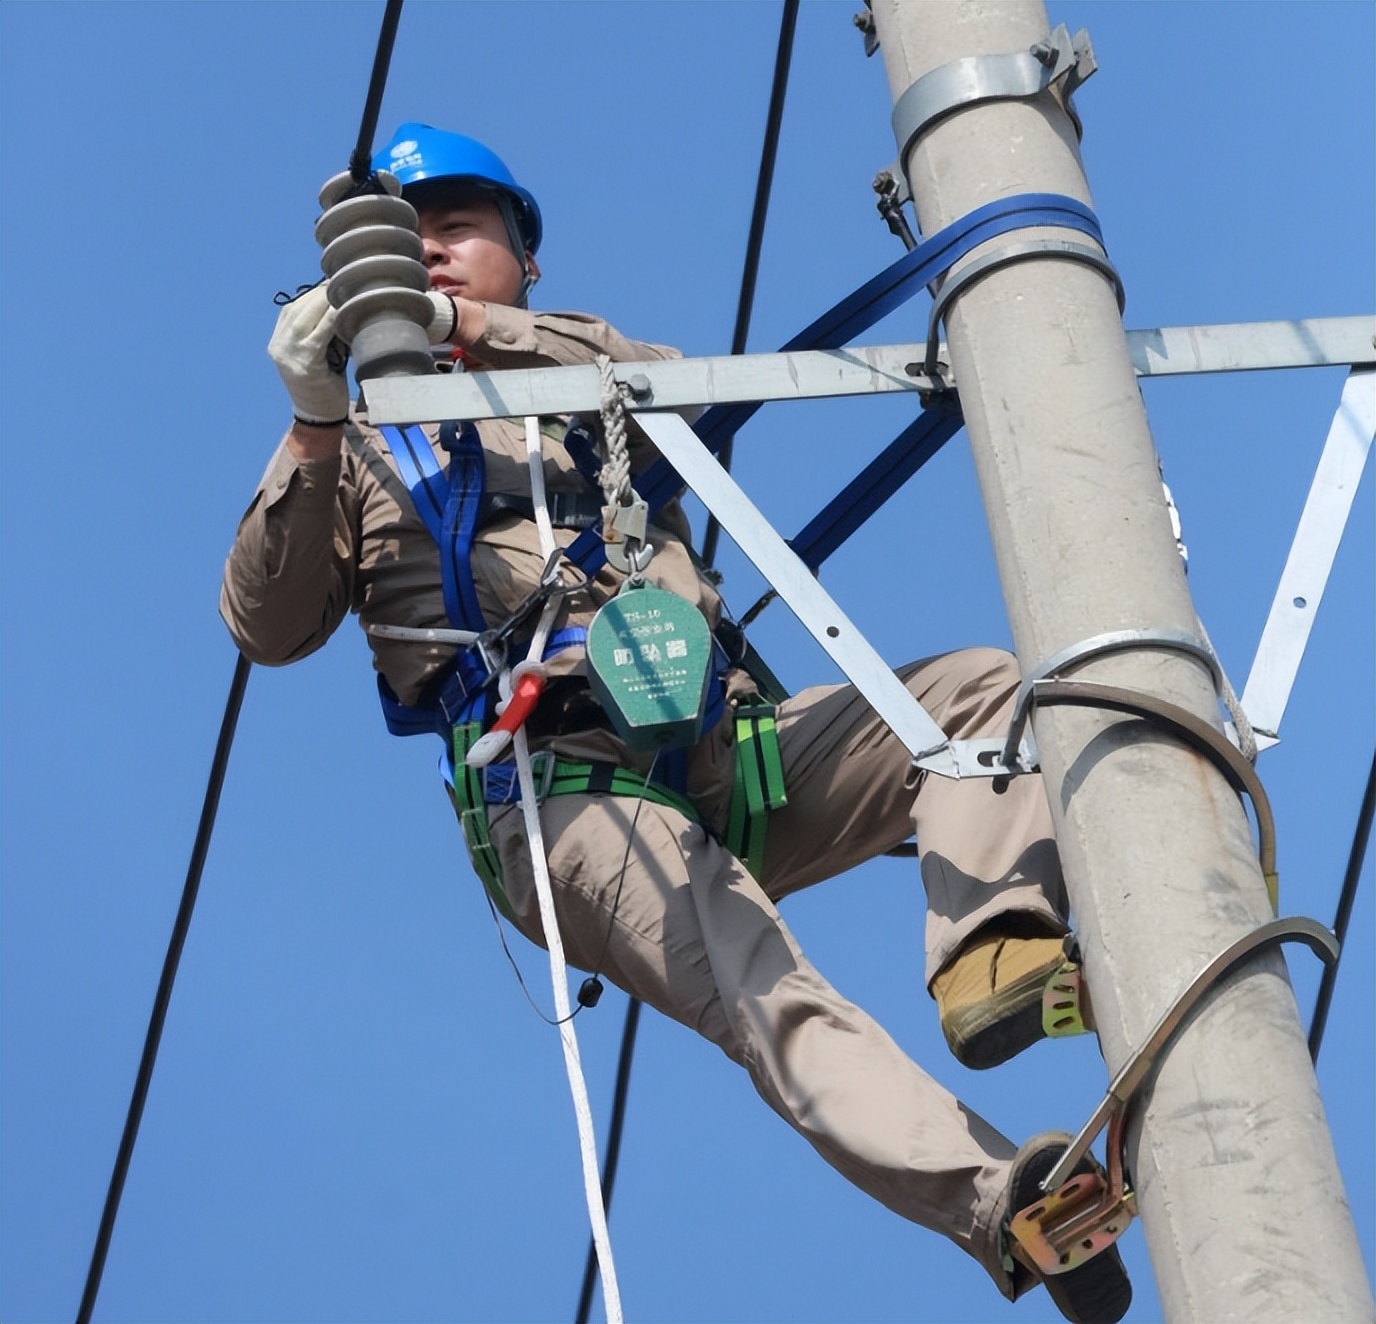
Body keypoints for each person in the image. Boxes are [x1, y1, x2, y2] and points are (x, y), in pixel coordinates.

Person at [222, 122, 1131, 1323]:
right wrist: (310, 416)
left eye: (454, 227)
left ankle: (993, 952)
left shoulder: (583, 369)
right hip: (559, 785)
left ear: (522, 256)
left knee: (980, 690)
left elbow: (675, 388)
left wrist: (464, 331)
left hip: (721, 743)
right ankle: (998, 1198)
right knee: (759, 982)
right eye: (402, 240)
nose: (427, 251)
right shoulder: (353, 456)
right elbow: (267, 622)